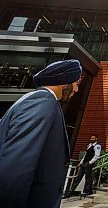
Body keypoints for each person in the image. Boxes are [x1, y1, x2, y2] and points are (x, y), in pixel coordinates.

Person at [0, 59, 82, 208]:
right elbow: (17, 167)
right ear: (65, 82)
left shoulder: (41, 100)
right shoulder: (42, 102)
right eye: (76, 83)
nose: (76, 90)